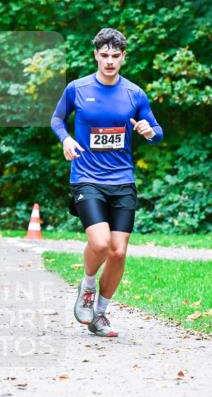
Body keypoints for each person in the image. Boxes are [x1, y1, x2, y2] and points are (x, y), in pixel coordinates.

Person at [51, 28, 164, 338]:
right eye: (104, 55)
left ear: (123, 57)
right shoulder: (78, 88)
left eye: (116, 56)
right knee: (100, 243)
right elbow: (57, 119)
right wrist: (66, 139)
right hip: (87, 177)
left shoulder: (134, 94)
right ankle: (87, 285)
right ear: (96, 55)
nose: (110, 61)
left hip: (122, 179)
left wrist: (147, 130)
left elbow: (157, 131)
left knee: (118, 252)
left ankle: (100, 313)